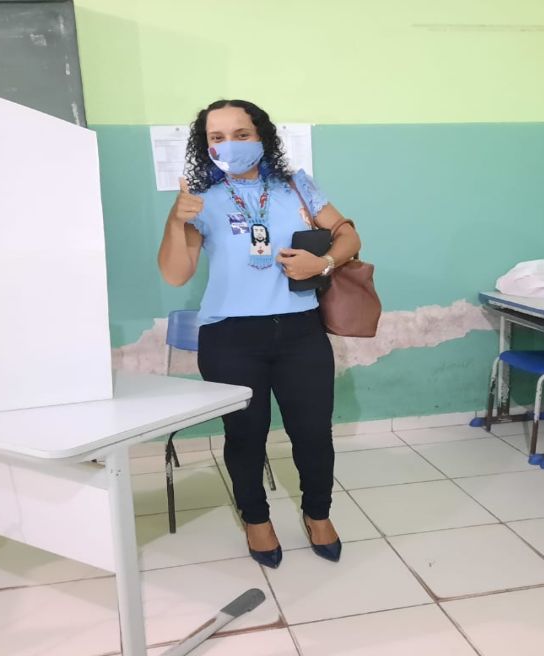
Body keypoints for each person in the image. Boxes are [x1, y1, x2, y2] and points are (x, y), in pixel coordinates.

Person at [157, 99, 361, 568]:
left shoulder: (296, 186)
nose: (230, 144)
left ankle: (318, 513)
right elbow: (175, 273)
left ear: (262, 137)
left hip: (300, 331)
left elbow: (349, 236)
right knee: (245, 436)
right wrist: (176, 219)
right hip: (229, 337)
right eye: (217, 136)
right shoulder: (200, 199)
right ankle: (256, 520)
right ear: (204, 146)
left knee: (313, 433)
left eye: (241, 133)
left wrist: (324, 261)